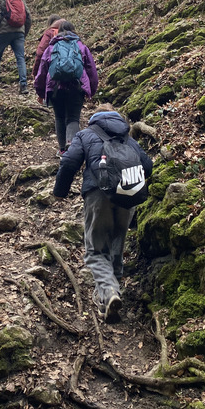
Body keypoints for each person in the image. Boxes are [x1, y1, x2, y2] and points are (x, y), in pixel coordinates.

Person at [53, 104, 153, 322]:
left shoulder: (86, 134)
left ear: (94, 118)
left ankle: (108, 293)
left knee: (96, 249)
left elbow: (69, 161)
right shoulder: (128, 138)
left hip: (98, 195)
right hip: (127, 197)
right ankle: (113, 291)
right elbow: (147, 165)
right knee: (117, 242)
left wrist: (60, 191)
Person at [34, 20, 98, 156]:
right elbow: (91, 70)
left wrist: (41, 92)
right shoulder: (81, 46)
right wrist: (91, 89)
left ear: (59, 32)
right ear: (74, 31)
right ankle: (72, 145)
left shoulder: (51, 48)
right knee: (73, 118)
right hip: (77, 87)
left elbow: (42, 72)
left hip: (55, 88)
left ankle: (62, 149)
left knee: (59, 117)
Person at [0, 0, 32, 94]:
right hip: (19, 32)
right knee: (20, 58)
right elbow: (28, 17)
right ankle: (24, 86)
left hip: (3, 33)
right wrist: (23, 32)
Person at [32, 15, 64, 79]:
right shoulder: (71, 33)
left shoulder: (49, 33)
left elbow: (40, 53)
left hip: (53, 71)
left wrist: (35, 72)